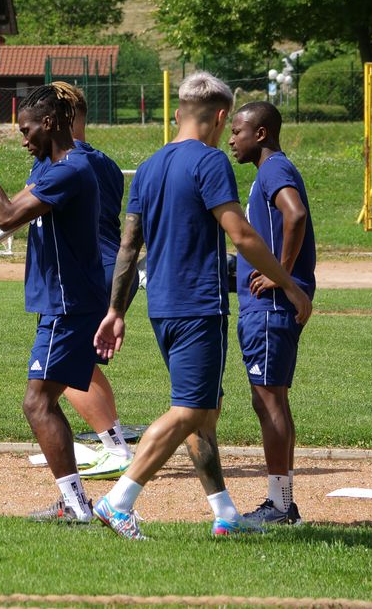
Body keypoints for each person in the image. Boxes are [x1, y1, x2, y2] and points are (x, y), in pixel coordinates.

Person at [91, 72, 312, 540]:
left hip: (162, 306)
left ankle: (225, 513)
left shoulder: (149, 167)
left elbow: (129, 246)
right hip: (199, 306)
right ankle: (119, 500)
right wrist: (288, 284)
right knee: (190, 411)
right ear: (219, 116)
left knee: (204, 411)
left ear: (177, 114)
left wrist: (116, 310)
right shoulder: (211, 162)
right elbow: (242, 234)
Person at [0, 84, 108, 523]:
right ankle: (75, 502)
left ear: (50, 123)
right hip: (65, 301)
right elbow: (9, 215)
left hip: (69, 303)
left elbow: (5, 216)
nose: (23, 140)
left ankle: (76, 506)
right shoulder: (51, 167)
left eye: (26, 131)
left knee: (37, 403)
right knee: (43, 400)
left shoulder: (70, 171)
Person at [228, 101, 315, 525]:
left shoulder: (273, 169)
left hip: (270, 305)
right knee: (272, 399)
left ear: (260, 134)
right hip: (269, 302)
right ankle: (282, 501)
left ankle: (281, 505)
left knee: (268, 401)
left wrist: (279, 274)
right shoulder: (269, 171)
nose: (231, 139)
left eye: (238, 131)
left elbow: (294, 215)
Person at [49, 81, 133, 480]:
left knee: (62, 367)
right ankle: (113, 442)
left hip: (86, 271)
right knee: (77, 362)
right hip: (110, 267)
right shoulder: (106, 163)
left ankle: (115, 448)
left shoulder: (63, 162)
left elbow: (20, 208)